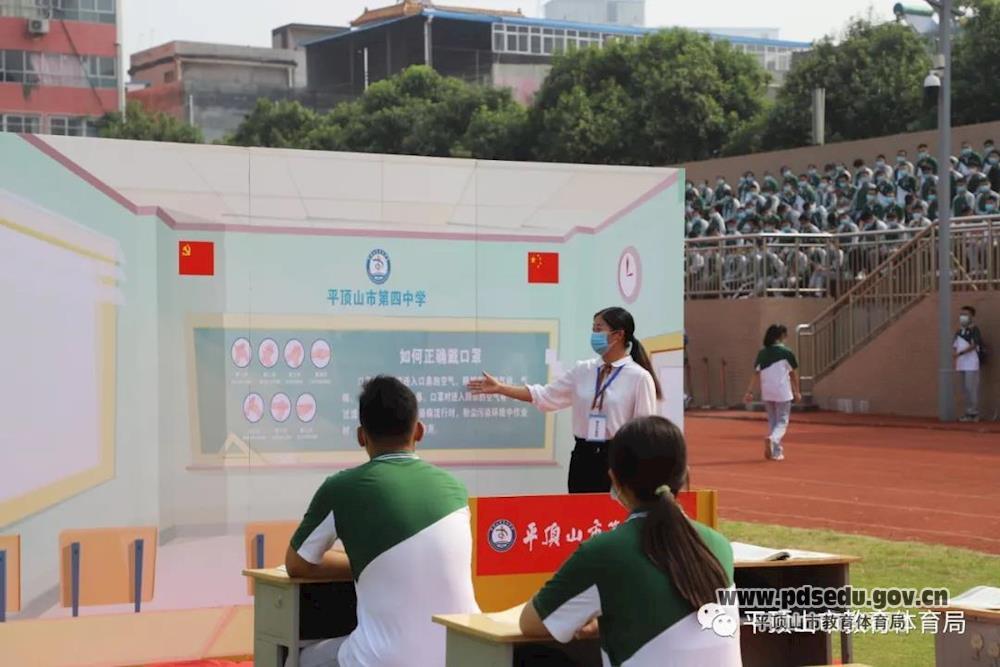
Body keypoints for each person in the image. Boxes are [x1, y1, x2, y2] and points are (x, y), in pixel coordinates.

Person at [285, 376, 479, 667]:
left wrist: (362, 563)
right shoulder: (455, 489)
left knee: (299, 658)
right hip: (464, 654)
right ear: (419, 431)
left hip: (382, 660)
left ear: (361, 436)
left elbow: (297, 564)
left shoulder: (341, 488)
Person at [517, 416, 742, 667]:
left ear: (614, 479)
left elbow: (531, 623)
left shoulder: (604, 552)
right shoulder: (719, 545)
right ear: (685, 475)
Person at [469, 307, 660, 493]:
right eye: (593, 329)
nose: (594, 335)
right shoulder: (583, 370)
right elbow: (545, 396)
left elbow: (644, 432)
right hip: (583, 456)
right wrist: (501, 388)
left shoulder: (639, 377)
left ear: (618, 335)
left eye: (599, 329)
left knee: (611, 512)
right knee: (578, 511)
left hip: (617, 459)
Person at [743, 325, 801, 461]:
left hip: (767, 392)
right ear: (781, 336)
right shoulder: (787, 352)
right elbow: (793, 374)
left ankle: (776, 452)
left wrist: (749, 391)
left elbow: (755, 373)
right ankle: (773, 439)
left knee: (773, 421)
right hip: (782, 392)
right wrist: (797, 391)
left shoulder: (762, 353)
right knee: (782, 421)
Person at [954, 306, 984, 423]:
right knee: (965, 389)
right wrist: (956, 355)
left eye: (966, 314)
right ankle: (968, 413)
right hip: (961, 364)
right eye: (961, 314)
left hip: (971, 364)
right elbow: (955, 345)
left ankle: (974, 413)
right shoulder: (959, 331)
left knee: (971, 388)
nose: (963, 317)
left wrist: (961, 353)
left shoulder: (974, 330)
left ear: (972, 316)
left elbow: (974, 345)